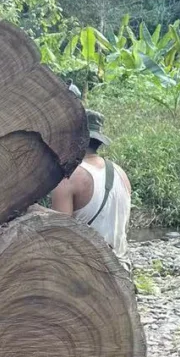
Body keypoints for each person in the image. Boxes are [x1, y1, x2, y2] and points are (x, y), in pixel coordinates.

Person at [50, 110, 131, 262]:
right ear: (99, 141)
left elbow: (60, 236)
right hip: (121, 268)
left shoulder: (69, 178)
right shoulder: (121, 173)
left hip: (87, 271)